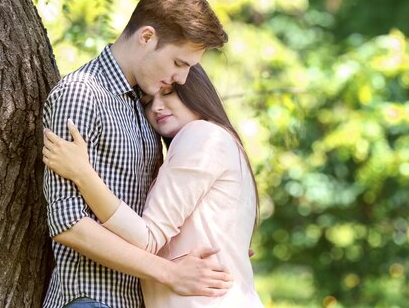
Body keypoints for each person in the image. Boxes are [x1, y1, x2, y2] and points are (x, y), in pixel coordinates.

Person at [42, 0, 233, 308]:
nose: (182, 79)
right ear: (147, 37)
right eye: (179, 63)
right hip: (90, 299)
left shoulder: (144, 106)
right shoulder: (82, 94)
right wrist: (171, 274)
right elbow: (67, 224)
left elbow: (152, 216)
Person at [43, 64, 264, 308]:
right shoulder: (221, 142)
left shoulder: (203, 136)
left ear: (197, 91)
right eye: (147, 102)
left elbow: (147, 237)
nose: (156, 107)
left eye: (168, 93)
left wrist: (83, 175)